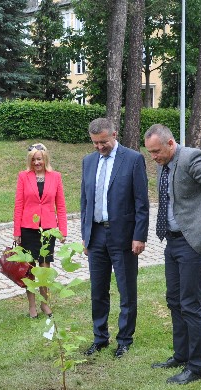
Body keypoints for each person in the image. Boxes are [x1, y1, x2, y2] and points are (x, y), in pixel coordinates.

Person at [144, 123, 201, 385]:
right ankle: (181, 355)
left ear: (170, 143)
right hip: (172, 241)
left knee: (190, 304)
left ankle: (197, 368)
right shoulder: (164, 163)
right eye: (150, 152)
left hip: (192, 242)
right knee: (174, 300)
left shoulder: (191, 158)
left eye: (156, 151)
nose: (153, 157)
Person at [80, 118, 150, 359]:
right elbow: (85, 201)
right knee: (98, 290)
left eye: (103, 142)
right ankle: (100, 338)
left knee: (126, 290)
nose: (99, 147)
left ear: (114, 134)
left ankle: (124, 340)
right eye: (95, 143)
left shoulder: (133, 159)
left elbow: (141, 202)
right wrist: (86, 236)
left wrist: (139, 236)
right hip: (96, 235)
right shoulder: (88, 161)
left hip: (124, 236)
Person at [13, 142, 68, 318]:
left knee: (45, 267)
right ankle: (32, 306)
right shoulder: (23, 176)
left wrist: (62, 230)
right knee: (29, 268)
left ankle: (45, 303)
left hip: (48, 229)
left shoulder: (56, 177)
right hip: (28, 228)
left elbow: (61, 206)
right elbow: (18, 205)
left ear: (45, 159)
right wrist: (17, 231)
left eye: (40, 159)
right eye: (34, 159)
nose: (37, 162)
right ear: (30, 161)